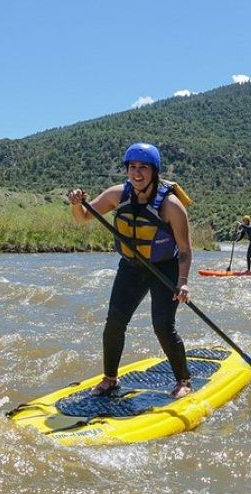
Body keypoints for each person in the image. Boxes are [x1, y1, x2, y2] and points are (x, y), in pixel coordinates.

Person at [67, 142, 193, 399]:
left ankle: (183, 380)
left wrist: (183, 282)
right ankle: (110, 379)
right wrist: (76, 203)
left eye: (143, 168)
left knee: (162, 325)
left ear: (154, 172)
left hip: (164, 269)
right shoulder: (117, 194)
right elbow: (82, 218)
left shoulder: (171, 206)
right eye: (132, 167)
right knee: (114, 322)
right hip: (131, 267)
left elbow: (185, 249)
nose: (137, 173)